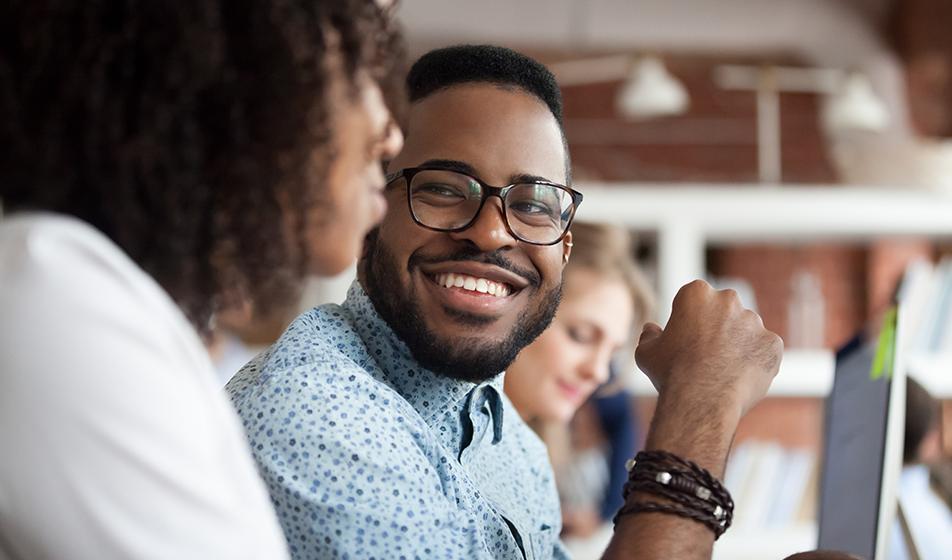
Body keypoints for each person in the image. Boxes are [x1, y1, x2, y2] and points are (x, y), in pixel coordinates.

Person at [227, 44, 783, 560]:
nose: (492, 234)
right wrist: (700, 405)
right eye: (444, 188)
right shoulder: (317, 413)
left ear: (563, 247)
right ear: (373, 211)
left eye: (534, 205)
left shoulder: (507, 435)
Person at [0, 1, 403, 558]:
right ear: (237, 89)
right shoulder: (57, 299)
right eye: (358, 73)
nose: (391, 134)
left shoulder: (108, 305)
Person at [503, 222, 654, 541]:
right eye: (581, 336)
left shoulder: (531, 458)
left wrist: (605, 512)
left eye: (611, 353)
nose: (598, 374)